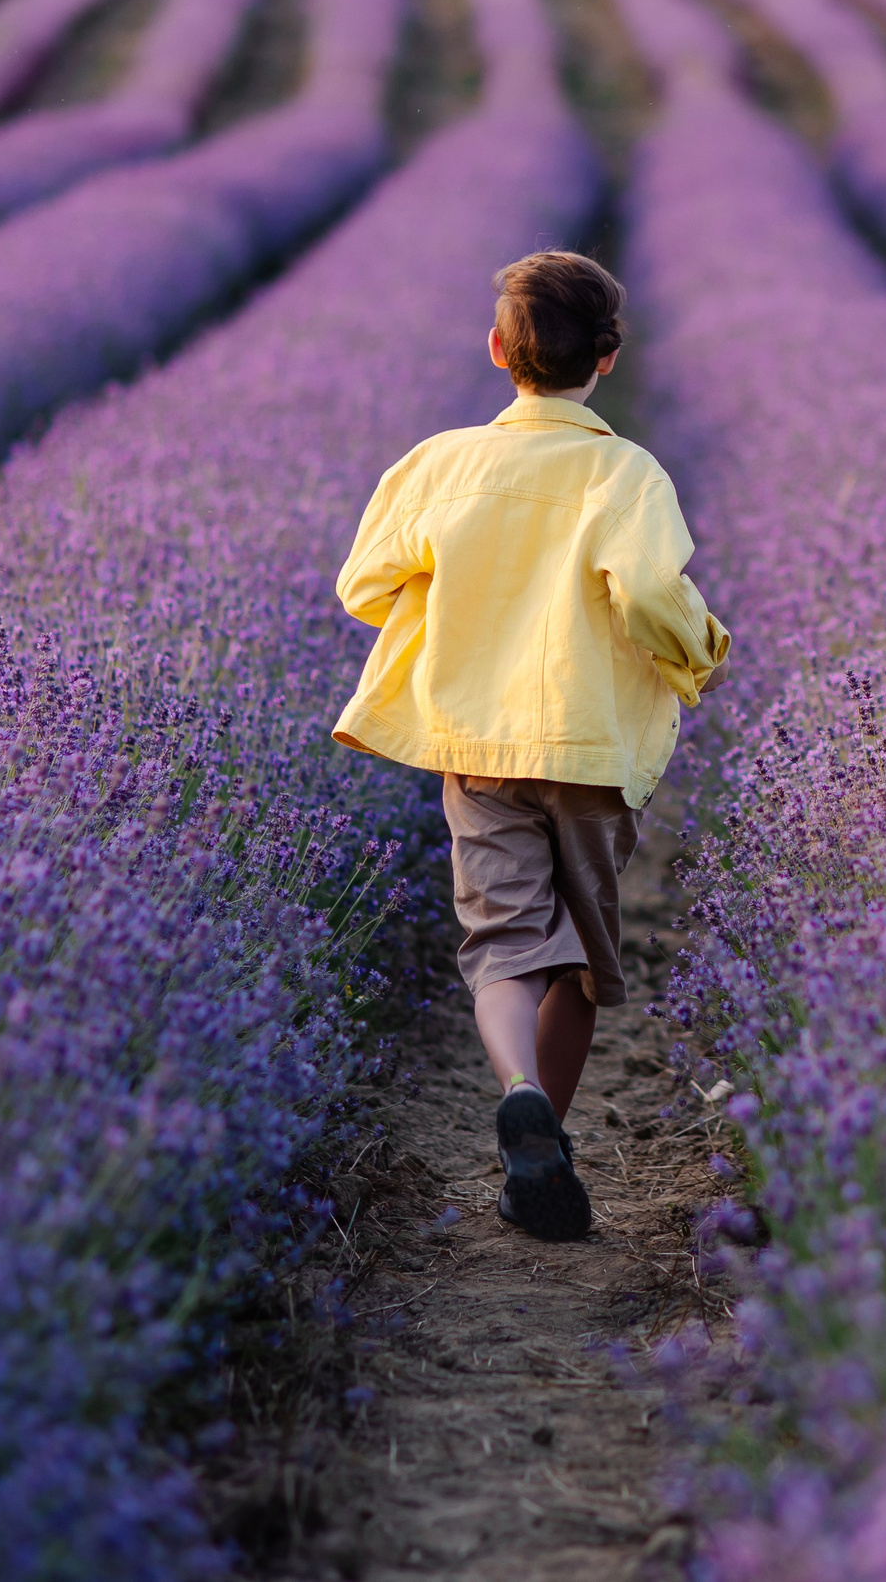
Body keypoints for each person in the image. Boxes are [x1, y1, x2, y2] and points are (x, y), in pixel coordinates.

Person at [330, 250, 730, 1242]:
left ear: (498, 350)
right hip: (590, 747)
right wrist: (699, 654)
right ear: (608, 357)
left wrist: (452, 593)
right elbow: (644, 592)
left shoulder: (439, 463)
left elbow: (363, 588)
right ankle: (546, 1132)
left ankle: (518, 1095)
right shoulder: (625, 471)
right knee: (583, 965)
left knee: (505, 943)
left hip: (477, 738)